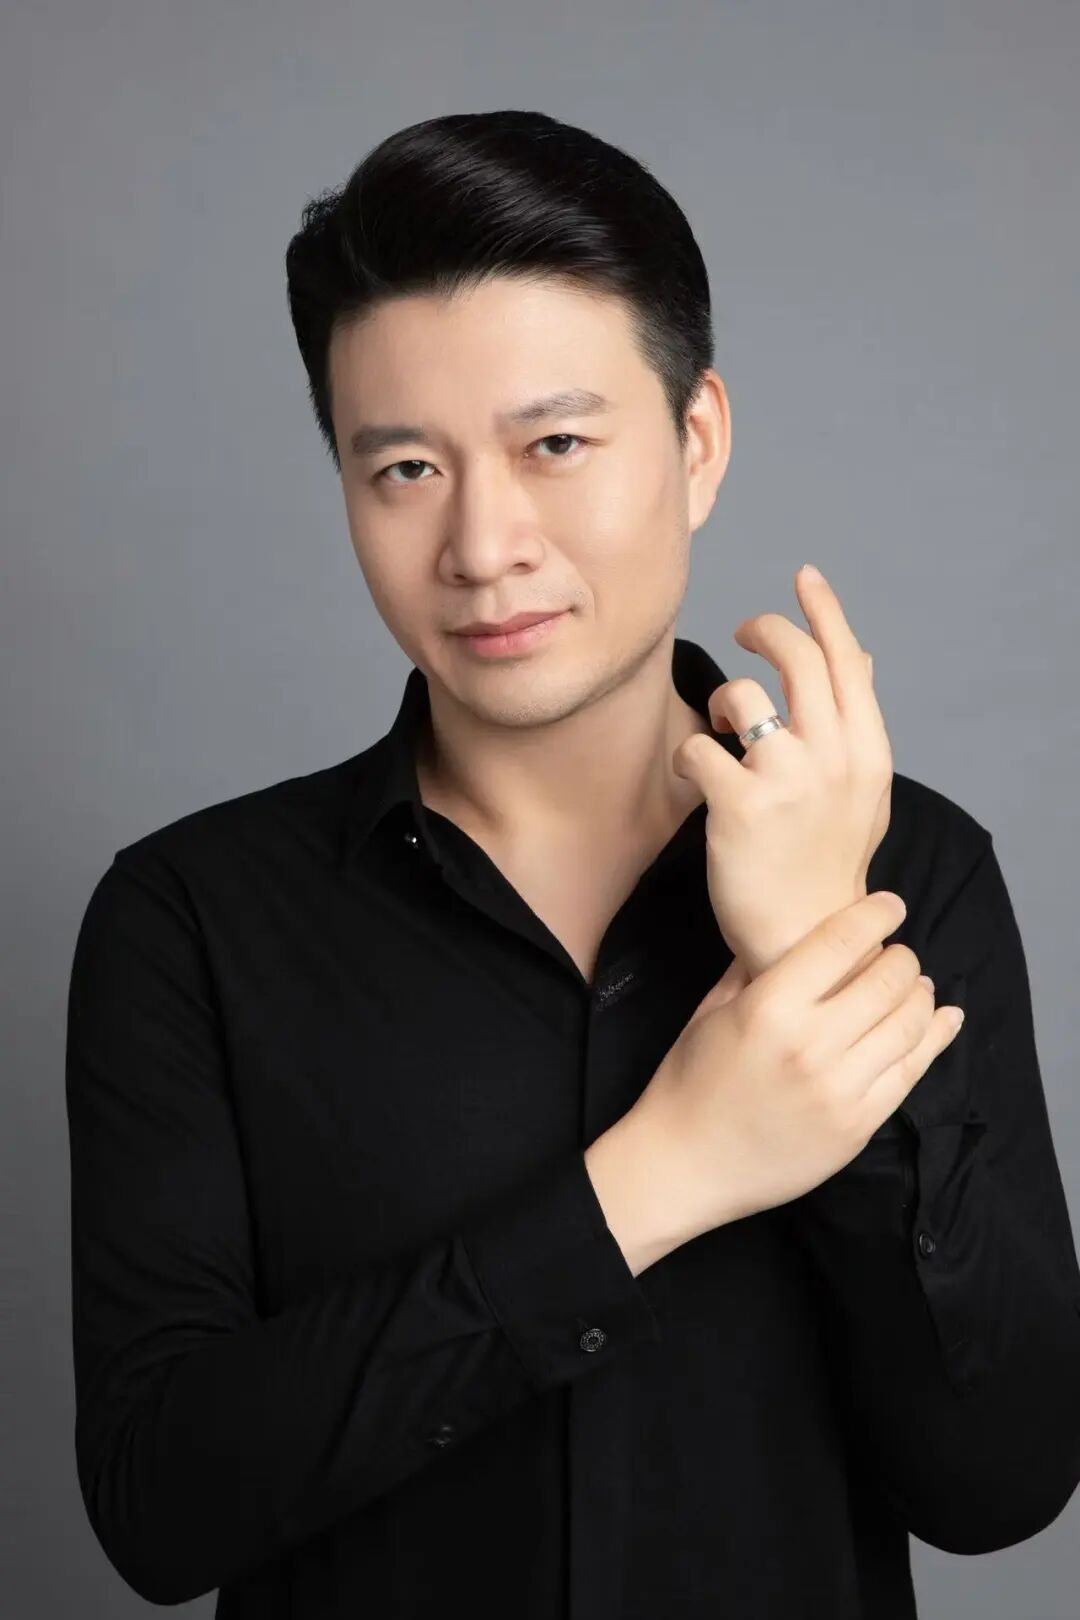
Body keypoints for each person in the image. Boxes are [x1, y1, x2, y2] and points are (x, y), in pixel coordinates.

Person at [64, 109, 1080, 1619]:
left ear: (696, 441)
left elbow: (1002, 1484)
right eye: (406, 468)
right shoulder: (192, 919)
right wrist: (659, 1178)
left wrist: (816, 950)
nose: (483, 546)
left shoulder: (908, 869)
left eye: (555, 445)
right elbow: (162, 1508)